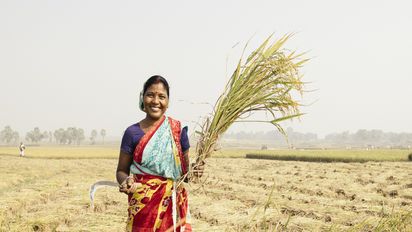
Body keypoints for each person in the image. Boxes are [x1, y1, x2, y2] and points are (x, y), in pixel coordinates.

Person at [116, 75, 203, 232]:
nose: (155, 101)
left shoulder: (177, 131)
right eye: (150, 95)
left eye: (161, 96)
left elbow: (185, 174)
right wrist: (125, 182)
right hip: (143, 206)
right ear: (142, 98)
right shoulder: (132, 133)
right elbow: (121, 170)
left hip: (175, 209)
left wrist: (195, 171)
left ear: (168, 102)